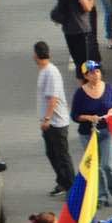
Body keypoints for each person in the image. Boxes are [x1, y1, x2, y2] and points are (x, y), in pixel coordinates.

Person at [71, 61, 112, 207]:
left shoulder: (108, 88)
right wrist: (88, 117)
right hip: (88, 134)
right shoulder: (80, 93)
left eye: (98, 71)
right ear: (86, 76)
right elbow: (75, 115)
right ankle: (102, 196)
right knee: (96, 166)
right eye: (92, 72)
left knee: (108, 165)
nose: (96, 74)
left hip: (107, 131)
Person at [34, 41, 73, 197]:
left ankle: (72, 187)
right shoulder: (45, 71)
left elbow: (53, 99)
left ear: (36, 55)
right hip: (50, 122)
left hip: (56, 123)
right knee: (52, 153)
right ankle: (63, 182)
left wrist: (47, 119)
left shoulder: (51, 72)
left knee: (62, 156)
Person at [54, 0, 99, 77]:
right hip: (80, 27)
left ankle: (82, 83)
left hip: (68, 28)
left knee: (78, 60)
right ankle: (87, 86)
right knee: (85, 62)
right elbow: (88, 7)